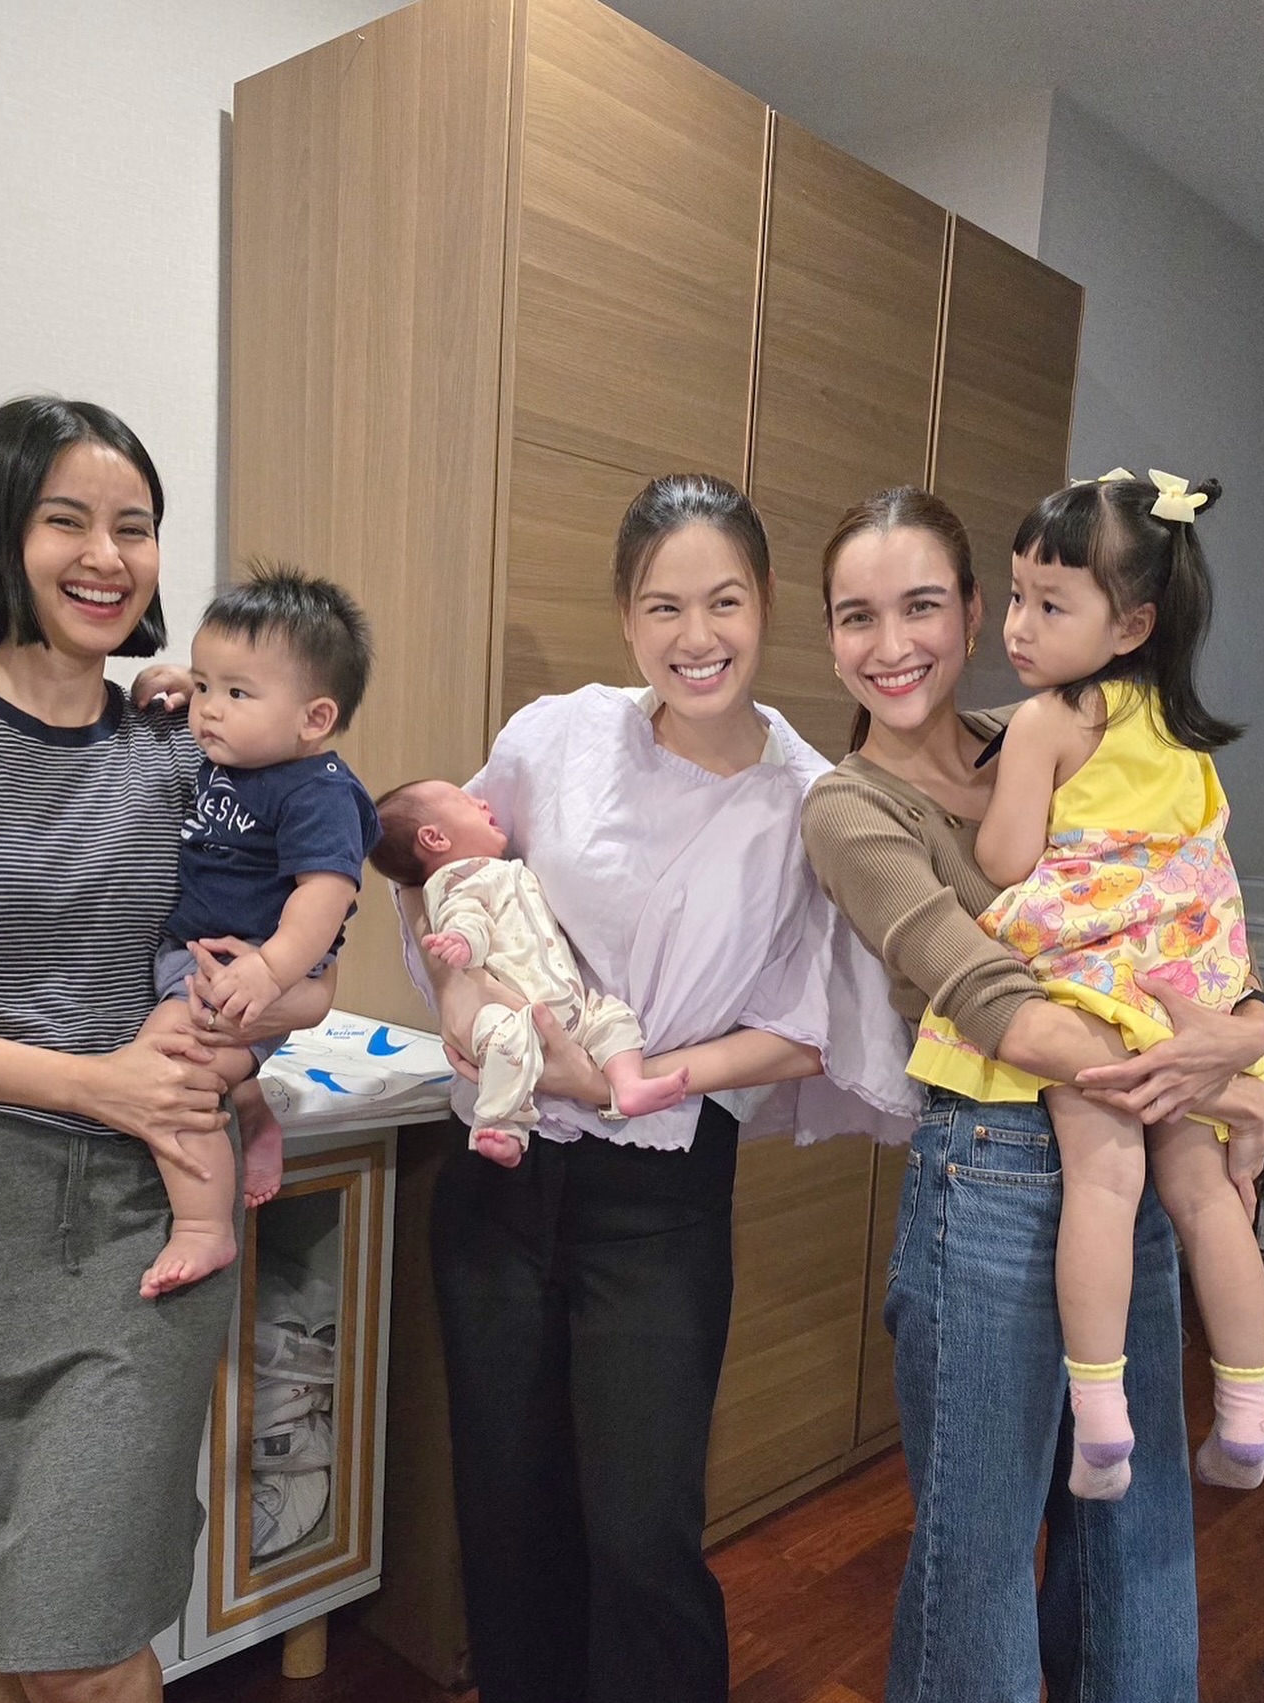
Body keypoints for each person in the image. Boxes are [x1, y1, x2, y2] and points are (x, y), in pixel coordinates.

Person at [398, 473, 915, 1703]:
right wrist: (461, 992)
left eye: (724, 601)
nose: (697, 637)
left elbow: (806, 1031)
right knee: (508, 1515)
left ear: (767, 602)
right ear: (627, 616)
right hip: (500, 1176)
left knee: (642, 1534)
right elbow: (441, 876)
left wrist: (633, 1081)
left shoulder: (808, 800)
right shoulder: (555, 736)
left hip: (657, 1199)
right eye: (664, 606)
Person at [0, 397, 333, 1703]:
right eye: (65, 518)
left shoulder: (189, 750)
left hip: (144, 1223)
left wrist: (237, 1042)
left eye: (135, 525)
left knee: (84, 1641)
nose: (106, 554)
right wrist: (89, 1078)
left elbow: (305, 967)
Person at [799, 485, 1264, 1703]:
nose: (891, 644)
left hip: (1142, 1144)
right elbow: (986, 992)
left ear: (973, 613)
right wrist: (1197, 1069)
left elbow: (1196, 911)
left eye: (921, 605)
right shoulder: (853, 803)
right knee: (982, 1548)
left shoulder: (1073, 722)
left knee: (1139, 1524)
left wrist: (1247, 1037)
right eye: (856, 616)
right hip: (998, 1169)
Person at [905, 469, 1264, 1500]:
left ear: (1133, 623)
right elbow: (1202, 866)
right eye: (1017, 594)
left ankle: (1103, 1422)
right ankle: (1248, 1412)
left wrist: (989, 806)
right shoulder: (1184, 735)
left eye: (1051, 604)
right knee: (1206, 1198)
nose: (1018, 625)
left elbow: (1009, 858)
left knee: (1105, 1188)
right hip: (1187, 994)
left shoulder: (1050, 720)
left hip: (1096, 990)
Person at [135, 562, 380, 1298]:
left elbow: (323, 898)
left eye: (235, 694)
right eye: (206, 686)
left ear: (315, 719)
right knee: (210, 1070)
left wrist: (270, 970)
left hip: (248, 969)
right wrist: (168, 682)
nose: (209, 710)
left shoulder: (318, 792)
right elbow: (190, 695)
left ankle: (203, 1225)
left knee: (171, 1070)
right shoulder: (234, 753)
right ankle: (253, 1108)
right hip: (199, 955)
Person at [369, 778, 689, 1166]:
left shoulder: (501, 870)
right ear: (434, 838)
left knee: (614, 1017)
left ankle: (627, 1085)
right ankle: (501, 1126)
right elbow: (464, 916)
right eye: (465, 801)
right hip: (516, 1009)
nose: (483, 802)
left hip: (570, 1004)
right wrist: (463, 941)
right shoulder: (457, 880)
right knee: (505, 1044)